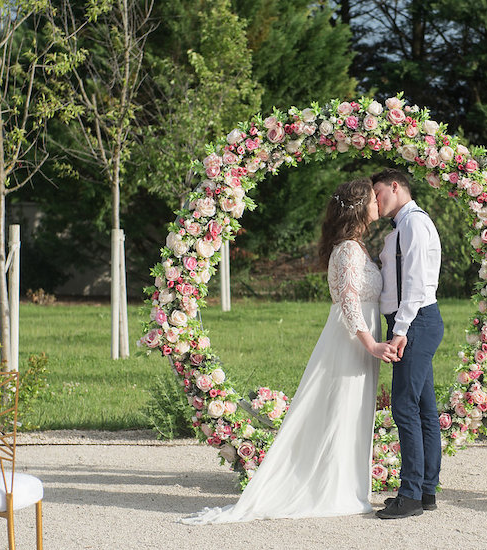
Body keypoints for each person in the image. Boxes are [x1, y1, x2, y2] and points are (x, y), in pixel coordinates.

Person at [181, 178, 397, 524]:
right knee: (341, 408)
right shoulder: (346, 250)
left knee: (354, 410)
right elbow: (348, 301)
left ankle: (347, 484)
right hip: (351, 341)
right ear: (359, 208)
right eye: (373, 200)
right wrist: (371, 343)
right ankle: (334, 488)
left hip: (361, 341)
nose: (377, 204)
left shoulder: (358, 247)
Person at [371, 168, 444, 520]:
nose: (376, 199)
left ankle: (411, 493)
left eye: (378, 191)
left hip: (413, 321)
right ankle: (426, 491)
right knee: (424, 409)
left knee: (404, 406)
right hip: (415, 321)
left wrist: (400, 330)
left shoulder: (413, 223)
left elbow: (414, 282)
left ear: (395, 186)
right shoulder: (405, 225)